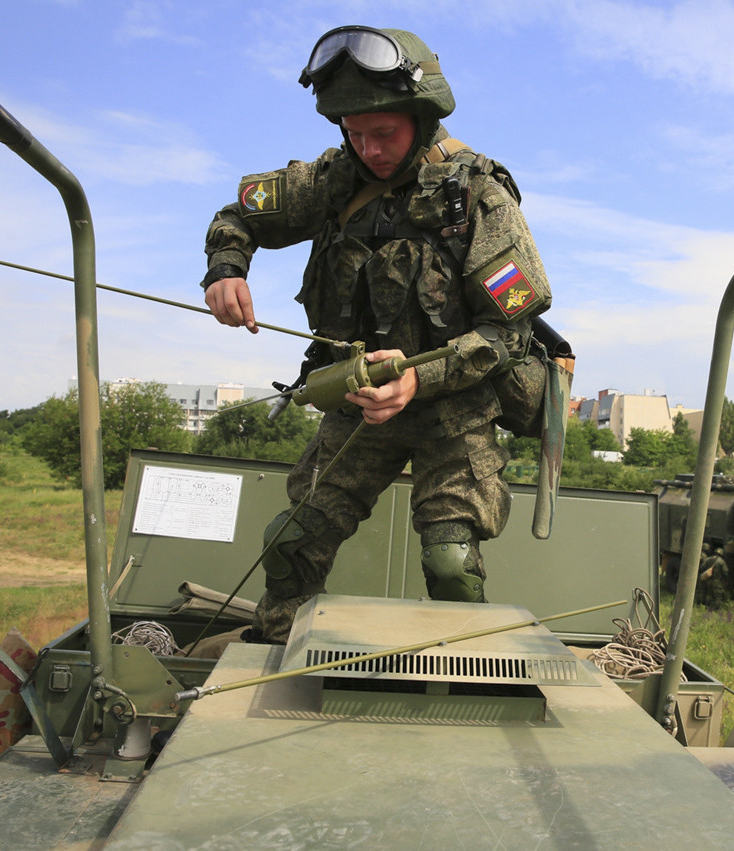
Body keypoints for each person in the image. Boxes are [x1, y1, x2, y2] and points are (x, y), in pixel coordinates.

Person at [201, 26, 551, 644]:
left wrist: (420, 377)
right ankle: (274, 659)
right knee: (290, 543)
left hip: (454, 413)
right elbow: (239, 214)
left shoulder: (477, 197)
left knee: (450, 565)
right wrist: (227, 270)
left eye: (383, 133)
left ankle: (462, 676)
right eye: (354, 133)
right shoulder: (336, 178)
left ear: (420, 116)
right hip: (359, 406)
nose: (370, 149)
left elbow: (507, 334)